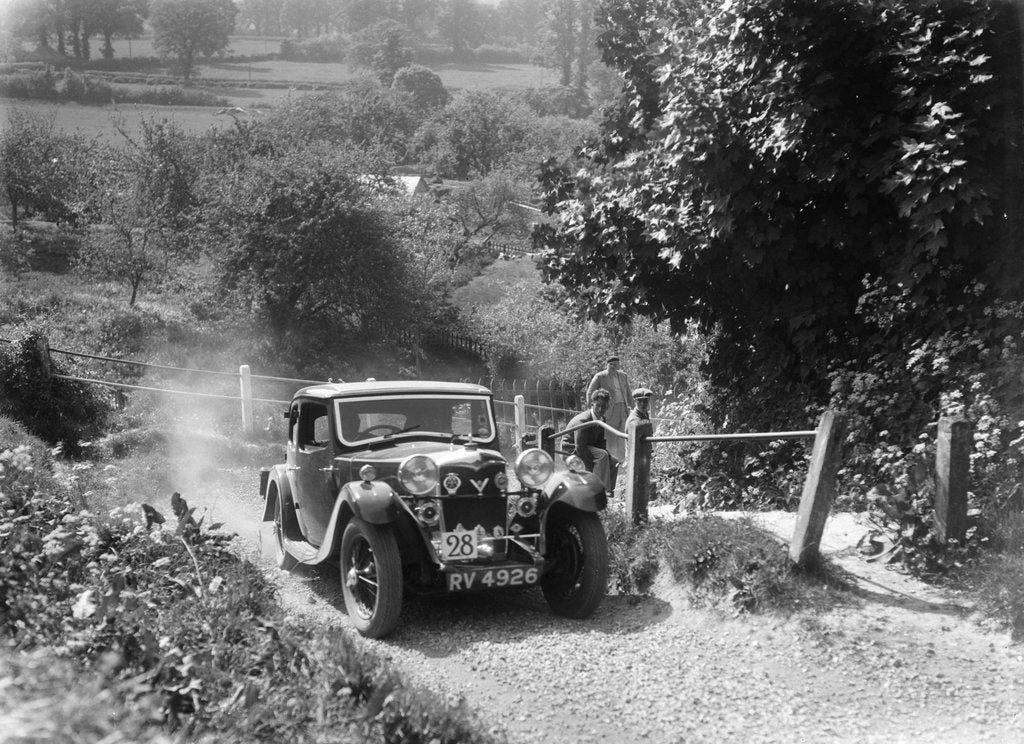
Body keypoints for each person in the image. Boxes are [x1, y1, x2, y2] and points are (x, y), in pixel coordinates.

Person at [567, 388, 618, 493]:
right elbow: (579, 447)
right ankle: (599, 491)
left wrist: (607, 456)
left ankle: (608, 491)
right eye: (597, 406)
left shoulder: (602, 420)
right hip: (571, 449)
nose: (600, 409)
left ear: (608, 407)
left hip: (587, 447)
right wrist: (590, 465)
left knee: (613, 461)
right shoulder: (583, 420)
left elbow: (600, 442)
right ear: (592, 404)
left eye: (603, 407)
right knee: (602, 455)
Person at [586, 356, 631, 461]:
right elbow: (590, 392)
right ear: (608, 365)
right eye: (612, 364)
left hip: (623, 409)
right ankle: (610, 460)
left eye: (616, 364)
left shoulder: (623, 376)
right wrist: (591, 409)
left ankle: (621, 461)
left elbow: (628, 393)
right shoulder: (600, 376)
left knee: (621, 436)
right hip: (609, 410)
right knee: (609, 436)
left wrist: (633, 408)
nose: (614, 367)